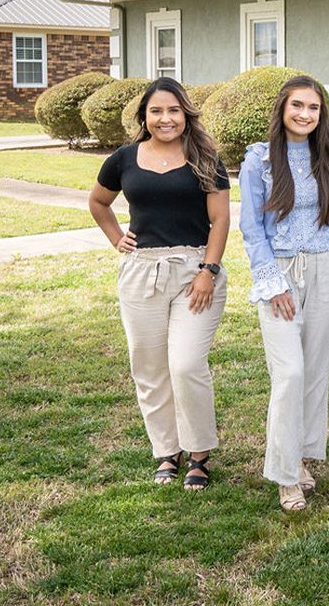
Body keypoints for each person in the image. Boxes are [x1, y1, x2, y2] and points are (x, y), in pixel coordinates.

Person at [88, 77, 230, 490]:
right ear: (144, 117)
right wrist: (116, 237)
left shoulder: (205, 157)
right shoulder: (124, 158)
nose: (165, 118)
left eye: (173, 111)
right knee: (149, 366)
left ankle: (199, 453)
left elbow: (220, 219)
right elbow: (98, 202)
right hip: (141, 272)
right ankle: (167, 451)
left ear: (185, 114)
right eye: (156, 111)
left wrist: (209, 270)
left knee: (186, 365)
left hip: (194, 272)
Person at [239, 76, 329, 511]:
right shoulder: (259, 161)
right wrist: (273, 282)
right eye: (297, 105)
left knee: (315, 370)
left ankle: (302, 457)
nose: (305, 114)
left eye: (313, 108)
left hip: (323, 266)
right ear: (282, 108)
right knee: (290, 374)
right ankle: (284, 476)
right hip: (279, 272)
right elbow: (250, 227)